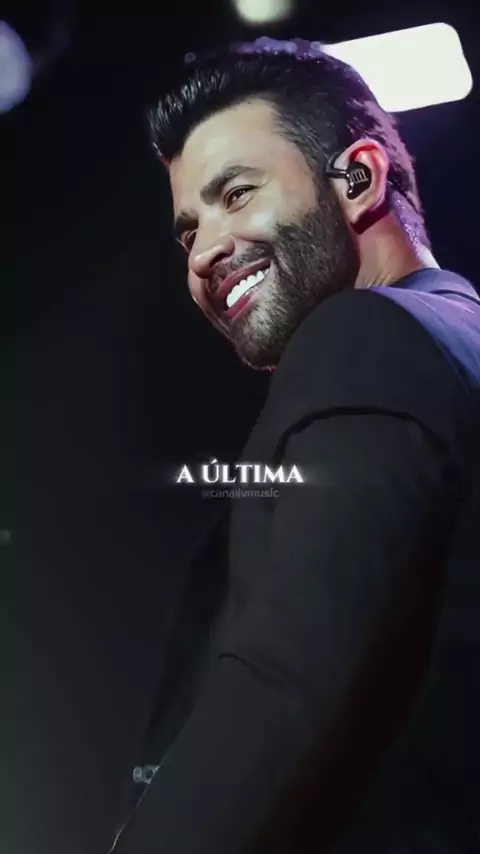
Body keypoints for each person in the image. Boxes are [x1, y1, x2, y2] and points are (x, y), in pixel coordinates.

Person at [110, 37, 480, 853]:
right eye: (187, 233)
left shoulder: (367, 335)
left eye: (237, 194)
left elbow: (289, 680)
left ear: (359, 179)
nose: (205, 253)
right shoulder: (453, 338)